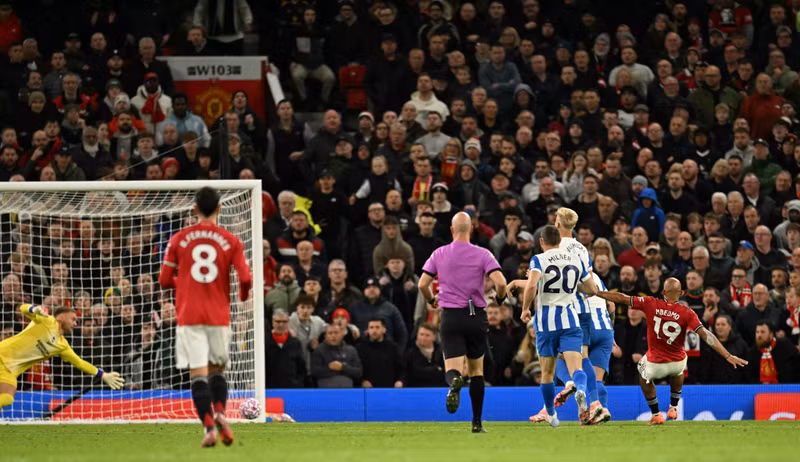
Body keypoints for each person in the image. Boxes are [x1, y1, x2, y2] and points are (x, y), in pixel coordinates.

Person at [158, 187, 253, 447]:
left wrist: (186, 282)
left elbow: (164, 280)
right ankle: (221, 412)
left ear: (195, 209)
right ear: (220, 209)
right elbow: (245, 278)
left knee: (198, 375)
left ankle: (209, 428)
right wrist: (243, 296)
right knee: (217, 371)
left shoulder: (179, 239)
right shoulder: (231, 240)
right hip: (218, 315)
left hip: (189, 315)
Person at [597, 278, 748, 425]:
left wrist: (597, 292)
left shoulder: (651, 303)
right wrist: (727, 355)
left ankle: (656, 414)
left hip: (654, 364)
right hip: (676, 362)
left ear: (663, 292)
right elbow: (706, 335)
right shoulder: (687, 312)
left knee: (642, 373)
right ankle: (674, 406)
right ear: (681, 293)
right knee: (680, 366)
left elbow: (621, 298)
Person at [418, 212, 507, 433]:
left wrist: (432, 299)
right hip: (475, 315)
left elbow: (422, 284)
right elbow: (501, 283)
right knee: (477, 372)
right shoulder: (483, 253)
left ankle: (456, 381)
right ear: (471, 229)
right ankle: (477, 423)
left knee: (452, 369)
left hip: (451, 316)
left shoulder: (439, 253)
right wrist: (501, 298)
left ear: (451, 230)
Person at [519, 225, 598, 428]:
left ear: (542, 241)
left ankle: (552, 415)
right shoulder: (576, 259)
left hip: (546, 324)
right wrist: (572, 288)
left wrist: (525, 309)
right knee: (576, 367)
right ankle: (580, 389)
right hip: (571, 320)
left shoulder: (539, 259)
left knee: (547, 372)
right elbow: (591, 289)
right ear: (559, 241)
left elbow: (531, 285)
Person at [0, 304, 124, 410]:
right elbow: (22, 308)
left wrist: (102, 375)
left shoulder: (62, 345)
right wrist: (34, 309)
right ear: (62, 316)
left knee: (7, 398)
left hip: (9, 371)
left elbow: (80, 363)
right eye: (73, 319)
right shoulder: (46, 320)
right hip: (2, 354)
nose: (75, 324)